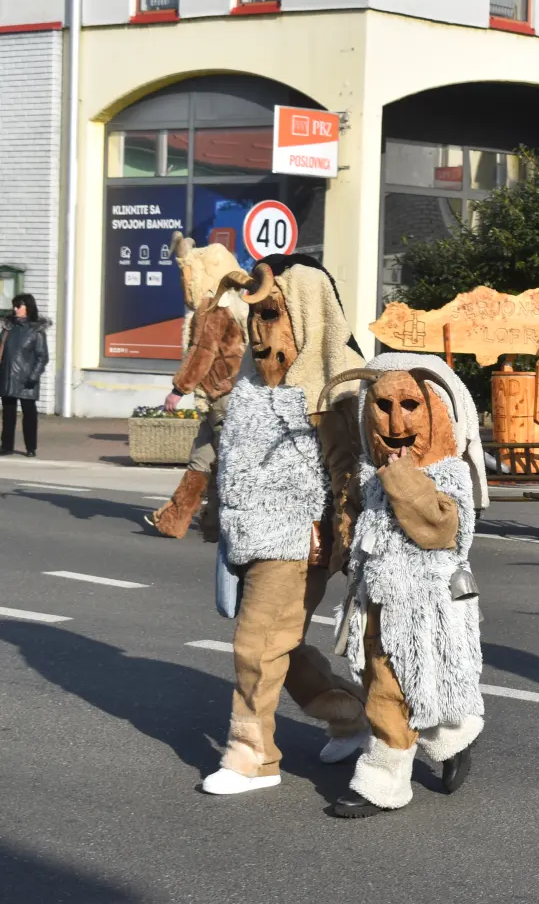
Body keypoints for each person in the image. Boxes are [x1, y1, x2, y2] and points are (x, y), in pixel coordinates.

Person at [199, 254, 371, 796]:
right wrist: (215, 516)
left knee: (257, 645)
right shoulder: (252, 385)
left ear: (304, 309)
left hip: (299, 535)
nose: (259, 331)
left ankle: (253, 756)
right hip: (252, 532)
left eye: (271, 316)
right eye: (256, 319)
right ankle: (353, 714)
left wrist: (340, 535)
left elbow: (349, 472)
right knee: (280, 645)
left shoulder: (332, 389)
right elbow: (233, 457)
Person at [324, 353, 490, 818]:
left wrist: (400, 475)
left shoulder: (447, 473)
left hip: (424, 608)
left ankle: (382, 780)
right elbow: (363, 531)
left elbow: (437, 529)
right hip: (376, 601)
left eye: (411, 405)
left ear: (436, 408)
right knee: (408, 686)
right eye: (383, 406)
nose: (396, 421)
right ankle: (451, 737)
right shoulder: (371, 475)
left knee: (389, 691)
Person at [145, 235, 247, 540]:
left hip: (221, 396)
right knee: (203, 459)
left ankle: (234, 524)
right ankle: (181, 520)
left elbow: (202, 352)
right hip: (224, 395)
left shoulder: (212, 308)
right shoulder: (233, 305)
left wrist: (178, 390)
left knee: (228, 463)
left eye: (185, 275)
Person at [1, 294, 50, 458]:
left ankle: (31, 447)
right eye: (14, 306)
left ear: (28, 307)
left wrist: (34, 376)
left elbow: (42, 357)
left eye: (18, 306)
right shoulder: (8, 328)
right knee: (8, 414)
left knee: (29, 415)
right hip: (7, 377)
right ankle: (6, 446)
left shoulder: (36, 331)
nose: (15, 309)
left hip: (27, 380)